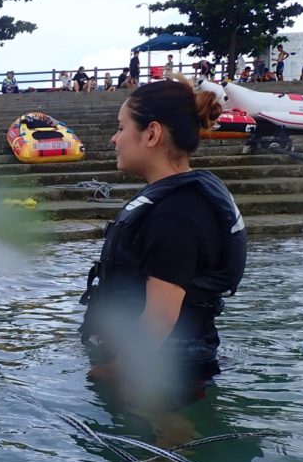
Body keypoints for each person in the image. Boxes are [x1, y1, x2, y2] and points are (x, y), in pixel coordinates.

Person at [79, 76, 247, 396]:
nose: (115, 139)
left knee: (170, 445)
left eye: (121, 127)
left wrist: (115, 370)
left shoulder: (177, 213)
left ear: (152, 133)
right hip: (157, 362)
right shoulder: (171, 200)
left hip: (166, 372)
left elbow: (160, 318)